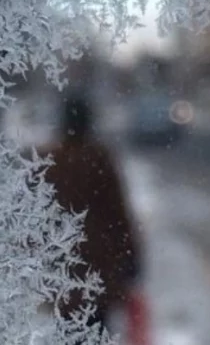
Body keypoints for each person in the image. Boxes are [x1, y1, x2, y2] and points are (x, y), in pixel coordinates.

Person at [36, 90, 143, 339]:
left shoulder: (50, 162)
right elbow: (118, 214)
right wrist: (131, 259)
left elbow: (36, 218)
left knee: (68, 332)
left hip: (63, 270)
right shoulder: (98, 158)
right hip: (98, 273)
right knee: (95, 331)